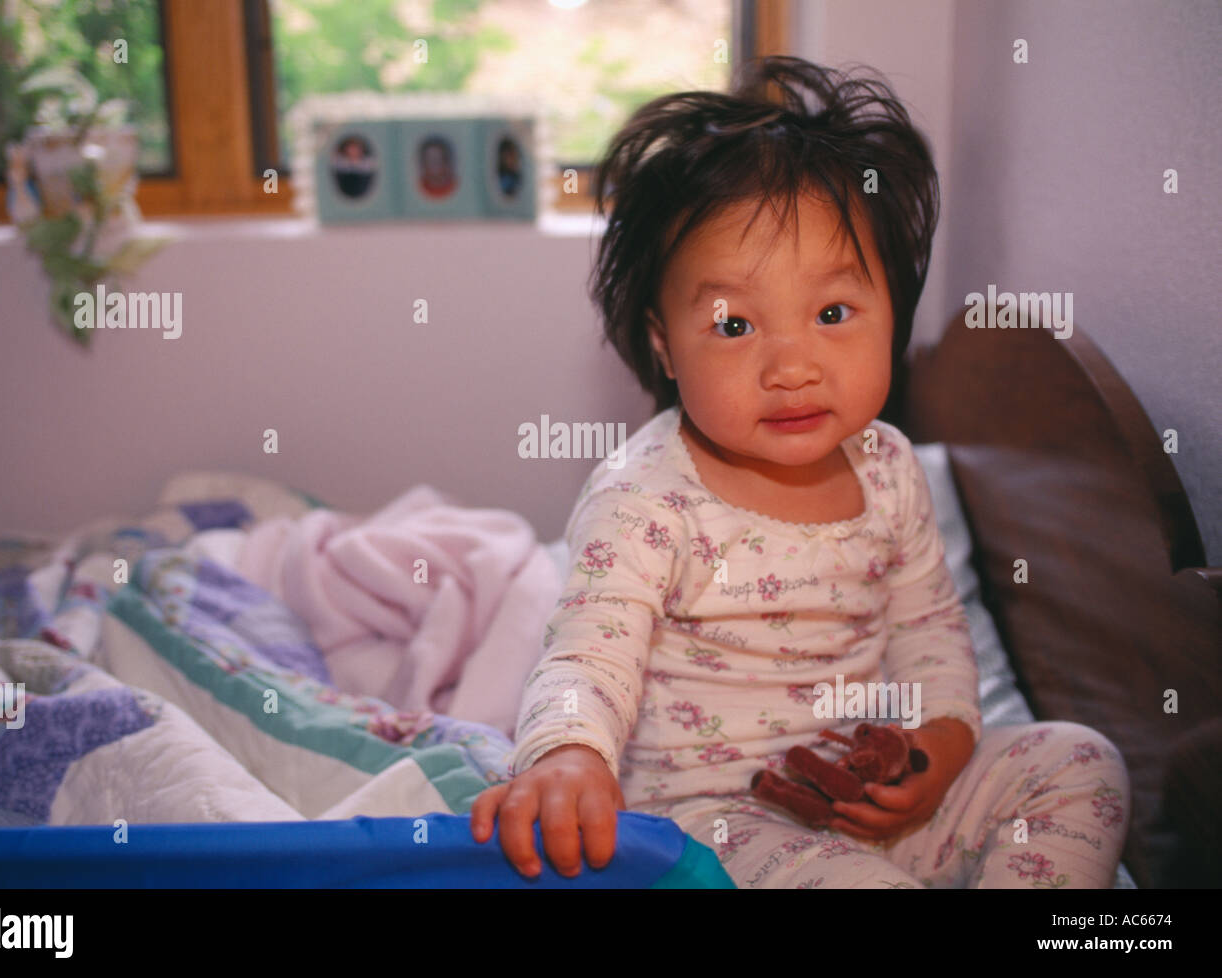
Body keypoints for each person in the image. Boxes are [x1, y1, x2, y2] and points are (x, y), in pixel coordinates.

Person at [470, 56, 1131, 888]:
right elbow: (585, 657)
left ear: (893, 311)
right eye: (735, 323)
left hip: (869, 797)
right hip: (711, 818)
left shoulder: (888, 469)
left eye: (832, 313)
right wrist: (567, 753)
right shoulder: (647, 498)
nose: (792, 366)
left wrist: (936, 751)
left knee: (1079, 762)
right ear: (666, 344)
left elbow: (929, 632)